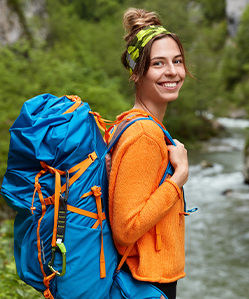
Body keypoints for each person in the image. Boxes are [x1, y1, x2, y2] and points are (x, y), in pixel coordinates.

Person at [108, 8, 191, 299]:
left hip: (144, 279)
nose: (172, 71)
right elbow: (126, 228)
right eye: (158, 63)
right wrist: (178, 178)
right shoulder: (144, 135)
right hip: (144, 283)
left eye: (177, 61)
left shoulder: (130, 122)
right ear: (136, 72)